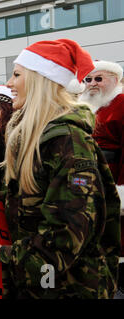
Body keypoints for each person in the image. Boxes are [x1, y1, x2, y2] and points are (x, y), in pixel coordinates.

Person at [0, 39, 121, 298]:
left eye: (16, 75)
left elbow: (66, 235)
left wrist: (5, 255)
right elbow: (37, 199)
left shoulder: (68, 139)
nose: (10, 83)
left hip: (68, 287)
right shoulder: (40, 134)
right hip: (43, 283)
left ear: (40, 80)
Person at [79, 60, 124, 297]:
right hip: (87, 187)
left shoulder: (121, 104)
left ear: (115, 81)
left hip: (113, 185)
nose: (92, 84)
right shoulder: (85, 106)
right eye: (88, 79)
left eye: (99, 78)